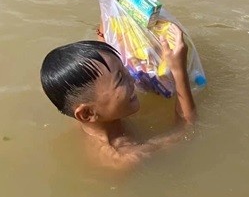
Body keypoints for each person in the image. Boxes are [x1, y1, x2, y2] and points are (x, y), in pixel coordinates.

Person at [40, 25, 196, 170]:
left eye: (124, 70)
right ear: (87, 113)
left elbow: (104, 64)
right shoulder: (126, 156)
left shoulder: (92, 115)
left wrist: (107, 20)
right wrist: (178, 70)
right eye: (120, 79)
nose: (133, 79)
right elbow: (187, 130)